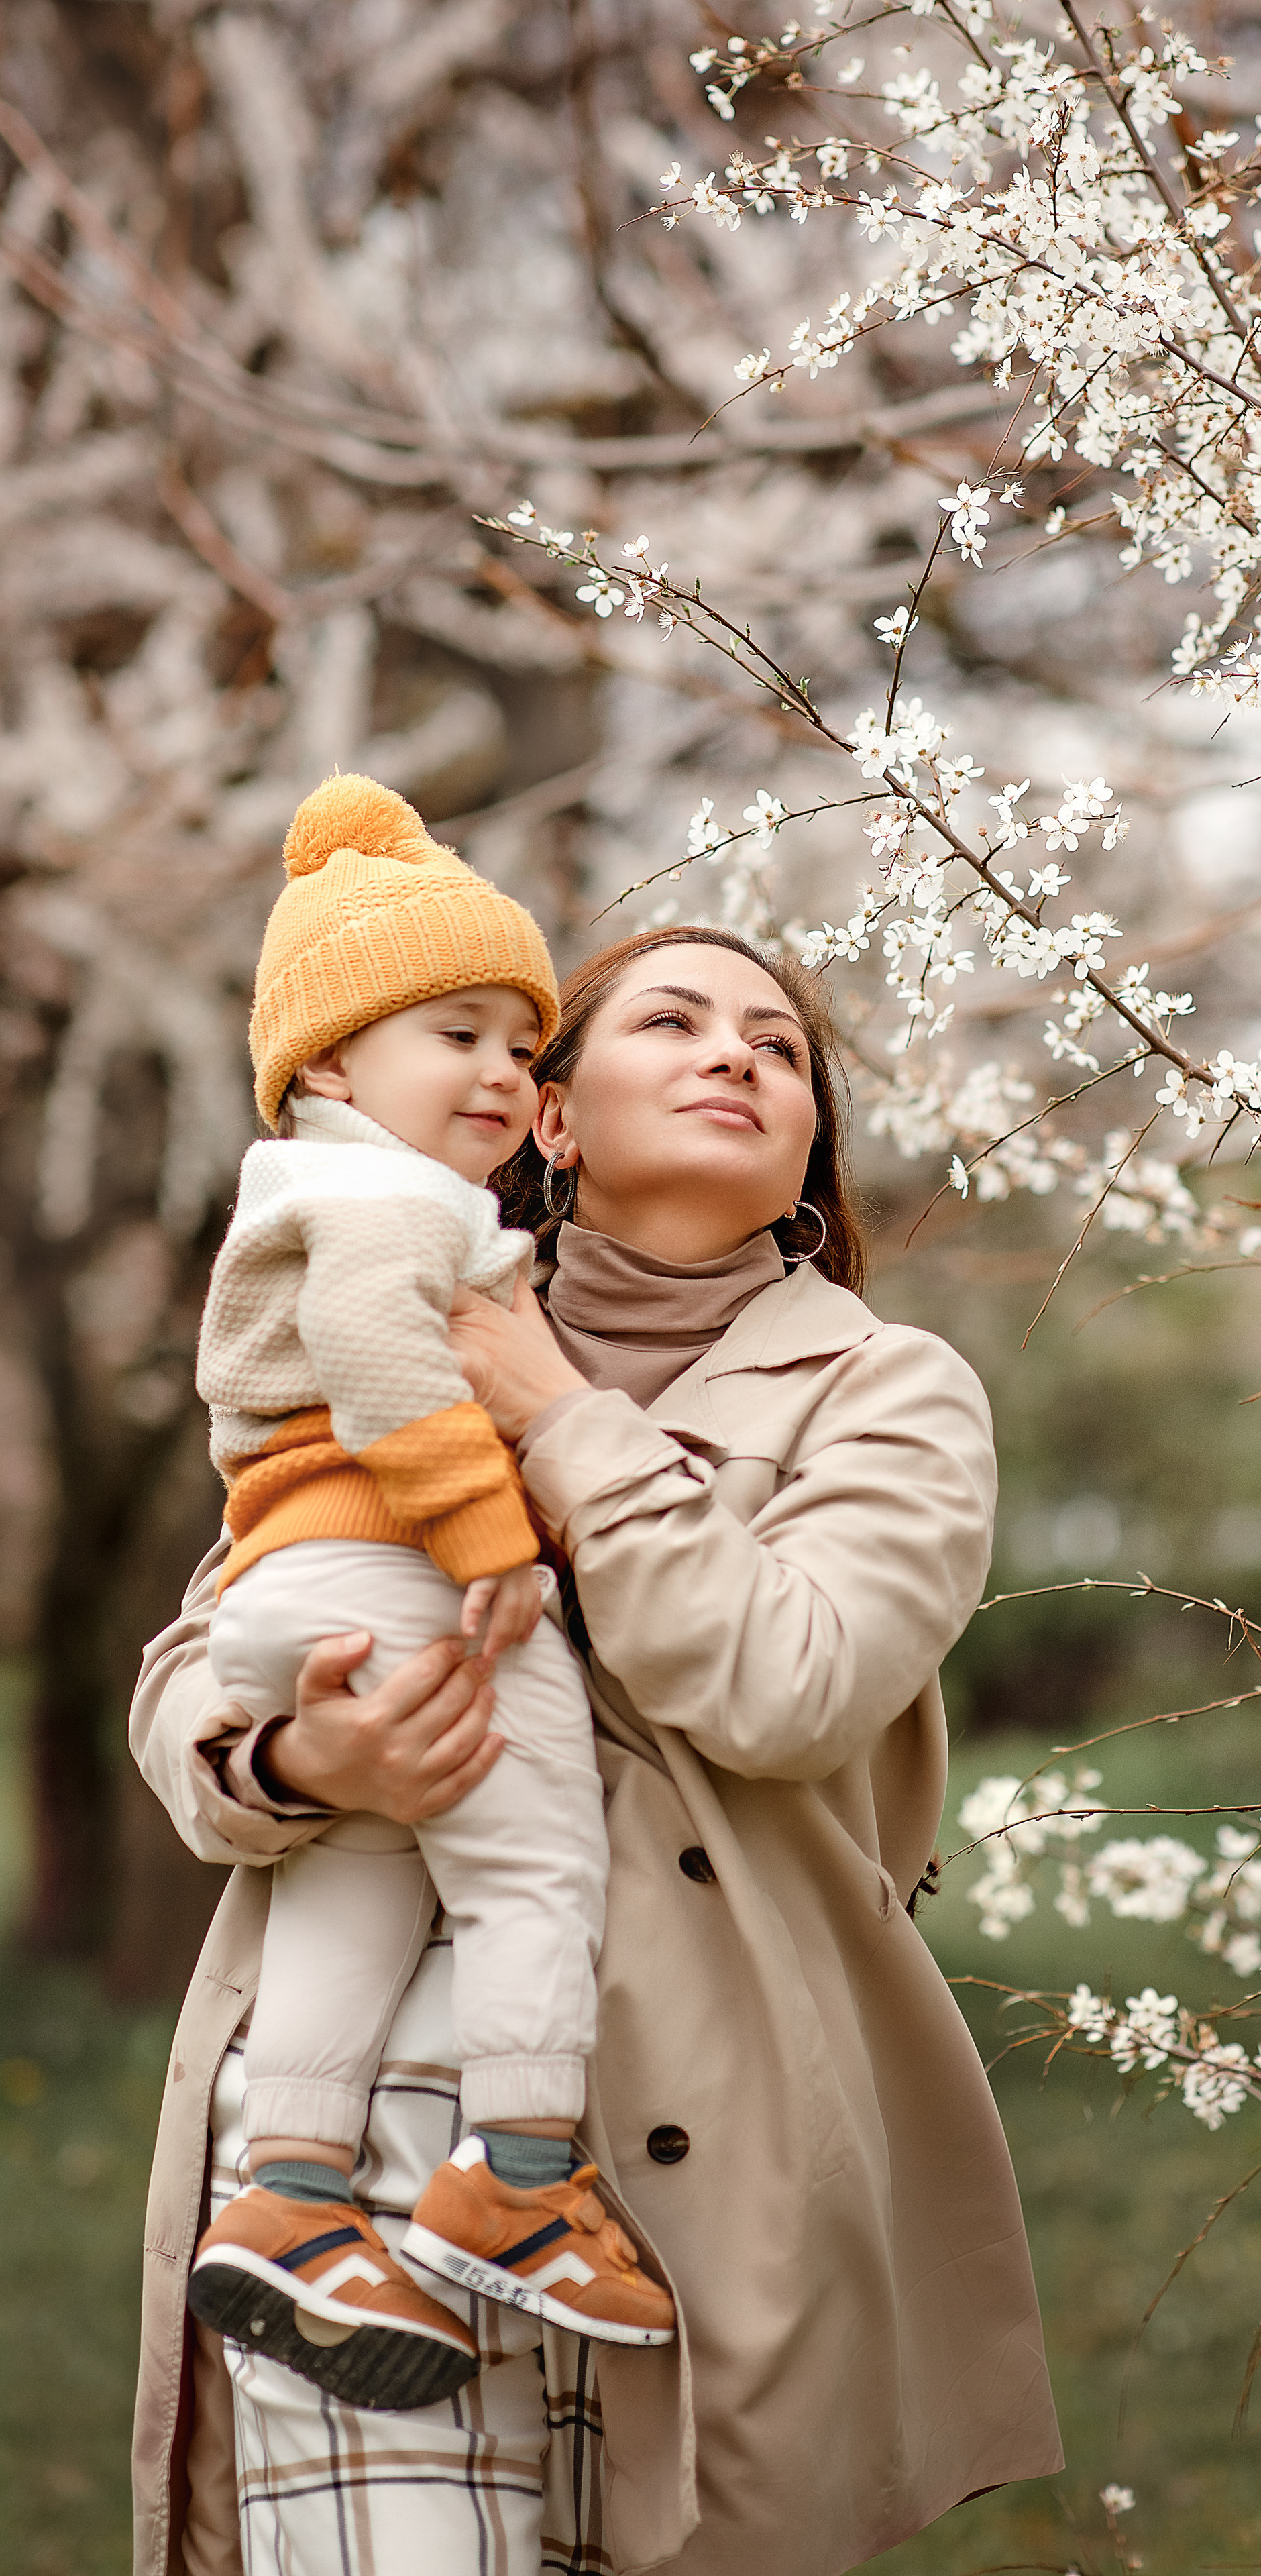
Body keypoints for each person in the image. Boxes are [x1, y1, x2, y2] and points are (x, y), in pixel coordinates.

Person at [130, 921, 1064, 2576]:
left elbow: (788, 1682)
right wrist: (303, 1762)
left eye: (778, 1052)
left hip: (701, 2166)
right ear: (545, 1121)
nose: (737, 1059)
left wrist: (560, 1417)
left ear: (801, 1163)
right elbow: (201, 1662)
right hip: (343, 2162)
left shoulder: (887, 1393)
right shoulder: (386, 1308)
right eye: (675, 1023)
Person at [184, 771, 674, 2414]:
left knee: (366, 1873)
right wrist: (493, 1542)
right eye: (450, 1032)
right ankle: (521, 2169)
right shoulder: (390, 1200)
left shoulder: (307, 1190)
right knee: (536, 1863)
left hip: (289, 1586)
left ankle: (294, 2190)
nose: (497, 1070)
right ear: (327, 1061)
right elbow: (389, 1367)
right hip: (399, 1567)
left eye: (515, 1042)